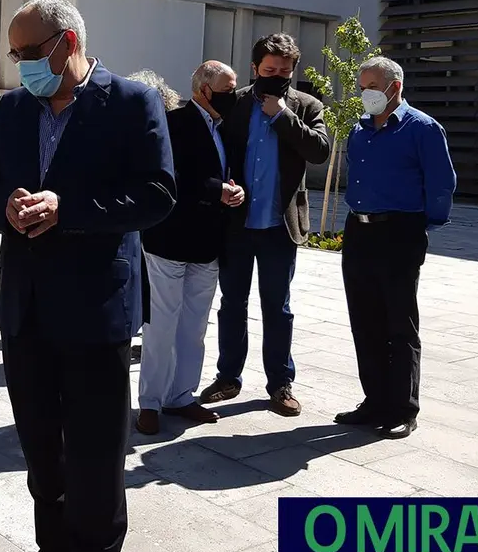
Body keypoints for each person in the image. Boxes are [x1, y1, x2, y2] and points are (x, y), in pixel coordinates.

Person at [0, 0, 175, 552]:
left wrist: (68, 208)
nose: (21, 65)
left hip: (95, 313)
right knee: (41, 453)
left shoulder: (133, 104)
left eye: (29, 53)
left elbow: (157, 194)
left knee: (94, 460)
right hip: (25, 310)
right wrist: (9, 204)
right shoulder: (11, 109)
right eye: (17, 54)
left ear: (68, 42)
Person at [199, 33, 330, 417]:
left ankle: (280, 384)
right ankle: (228, 377)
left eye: (285, 71)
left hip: (279, 226)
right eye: (269, 70)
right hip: (236, 224)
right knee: (232, 304)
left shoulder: (306, 106)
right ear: (254, 68)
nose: (277, 76)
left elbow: (320, 152)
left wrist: (283, 116)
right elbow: (212, 151)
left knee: (278, 307)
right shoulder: (234, 103)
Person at [335, 56, 456, 439]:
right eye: (361, 86)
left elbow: (441, 183)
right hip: (359, 230)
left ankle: (403, 407)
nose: (365, 93)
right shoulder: (359, 129)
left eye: (372, 86)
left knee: (399, 323)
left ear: (395, 87)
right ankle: (374, 401)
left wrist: (422, 224)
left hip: (399, 231)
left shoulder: (422, 129)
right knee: (365, 321)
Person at [136, 61, 245, 436]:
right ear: (202, 89)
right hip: (169, 239)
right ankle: (149, 402)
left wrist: (235, 188)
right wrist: (218, 190)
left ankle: (181, 396)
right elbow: (173, 177)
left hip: (208, 242)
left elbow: (224, 172)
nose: (233, 94)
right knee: (161, 326)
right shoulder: (176, 121)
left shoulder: (223, 127)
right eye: (226, 88)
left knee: (194, 325)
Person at [125, 69, 183, 364]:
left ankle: (151, 339)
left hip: (161, 222)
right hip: (135, 220)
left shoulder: (169, 127)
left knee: (153, 287)